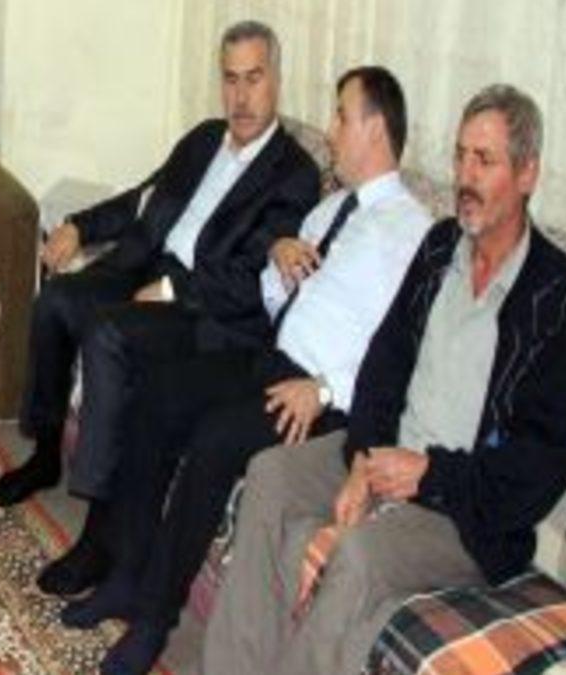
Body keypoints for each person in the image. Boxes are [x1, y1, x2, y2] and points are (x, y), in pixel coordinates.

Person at [204, 84, 566, 675]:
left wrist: (430, 473)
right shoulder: (440, 248)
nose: (465, 177)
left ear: (527, 174)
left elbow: (540, 466)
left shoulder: (559, 298)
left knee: (359, 557)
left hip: (463, 512)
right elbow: (384, 365)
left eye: (484, 161)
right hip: (387, 456)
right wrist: (363, 459)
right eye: (460, 156)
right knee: (270, 475)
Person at [58, 66, 432, 675]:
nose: (331, 130)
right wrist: (278, 259)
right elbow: (274, 301)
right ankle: (125, 575)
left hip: (319, 397)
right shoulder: (329, 211)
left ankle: (154, 619)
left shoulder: (413, 233)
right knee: (155, 392)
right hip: (271, 357)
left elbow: (397, 349)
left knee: (213, 441)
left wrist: (325, 389)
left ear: (375, 127)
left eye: (341, 116)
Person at [0, 20, 321, 509]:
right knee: (56, 300)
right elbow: (142, 198)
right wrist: (80, 227)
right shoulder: (205, 138)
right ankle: (44, 452)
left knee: (107, 331)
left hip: (201, 307)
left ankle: (99, 498)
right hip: (144, 263)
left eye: (253, 78)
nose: (241, 97)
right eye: (230, 79)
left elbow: (251, 276)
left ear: (276, 79)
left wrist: (172, 291)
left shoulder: (293, 173)